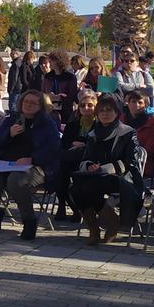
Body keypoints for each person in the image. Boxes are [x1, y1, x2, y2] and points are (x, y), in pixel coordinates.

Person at [0, 90, 62, 239]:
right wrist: (9, 134)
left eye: (33, 103)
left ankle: (29, 220)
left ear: (41, 106)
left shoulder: (47, 123)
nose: (29, 105)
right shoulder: (11, 119)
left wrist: (32, 159)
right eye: (26, 102)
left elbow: (53, 149)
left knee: (16, 181)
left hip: (36, 166)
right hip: (6, 163)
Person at [69, 94, 144, 246]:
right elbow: (86, 157)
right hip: (97, 176)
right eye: (101, 110)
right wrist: (90, 166)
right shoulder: (93, 134)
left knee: (90, 186)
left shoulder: (128, 133)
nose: (105, 113)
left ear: (117, 113)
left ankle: (111, 219)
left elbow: (131, 161)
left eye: (109, 110)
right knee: (75, 188)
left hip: (123, 177)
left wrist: (105, 168)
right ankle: (93, 227)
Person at [54, 90, 99, 221]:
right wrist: (73, 144)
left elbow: (98, 144)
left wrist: (83, 144)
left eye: (90, 105)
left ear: (96, 107)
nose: (86, 108)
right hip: (70, 158)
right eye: (82, 105)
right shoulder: (73, 124)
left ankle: (78, 209)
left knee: (72, 176)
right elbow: (65, 143)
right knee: (60, 174)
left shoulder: (99, 125)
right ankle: (63, 206)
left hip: (89, 160)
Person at [122, 89, 154, 179]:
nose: (136, 105)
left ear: (145, 105)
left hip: (143, 163)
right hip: (121, 161)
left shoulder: (151, 123)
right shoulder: (120, 121)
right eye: (133, 102)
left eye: (140, 102)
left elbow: (150, 149)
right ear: (128, 103)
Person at [40, 51, 79, 123]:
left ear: (59, 61)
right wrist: (48, 96)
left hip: (65, 110)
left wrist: (60, 97)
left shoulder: (70, 77)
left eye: (52, 60)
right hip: (50, 109)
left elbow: (73, 95)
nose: (49, 62)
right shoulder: (47, 76)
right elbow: (42, 93)